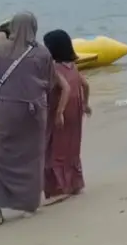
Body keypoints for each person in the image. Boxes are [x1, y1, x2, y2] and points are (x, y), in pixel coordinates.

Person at [0, 11, 65, 224]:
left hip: (6, 110)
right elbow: (49, 83)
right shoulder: (42, 53)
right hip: (34, 112)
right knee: (31, 158)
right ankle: (29, 205)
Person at [42, 29, 88, 204]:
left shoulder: (54, 68)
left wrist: (59, 112)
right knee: (72, 145)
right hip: (76, 111)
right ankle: (75, 184)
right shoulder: (72, 66)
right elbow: (85, 84)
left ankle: (59, 188)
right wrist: (86, 104)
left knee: (54, 148)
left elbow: (66, 90)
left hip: (60, 112)